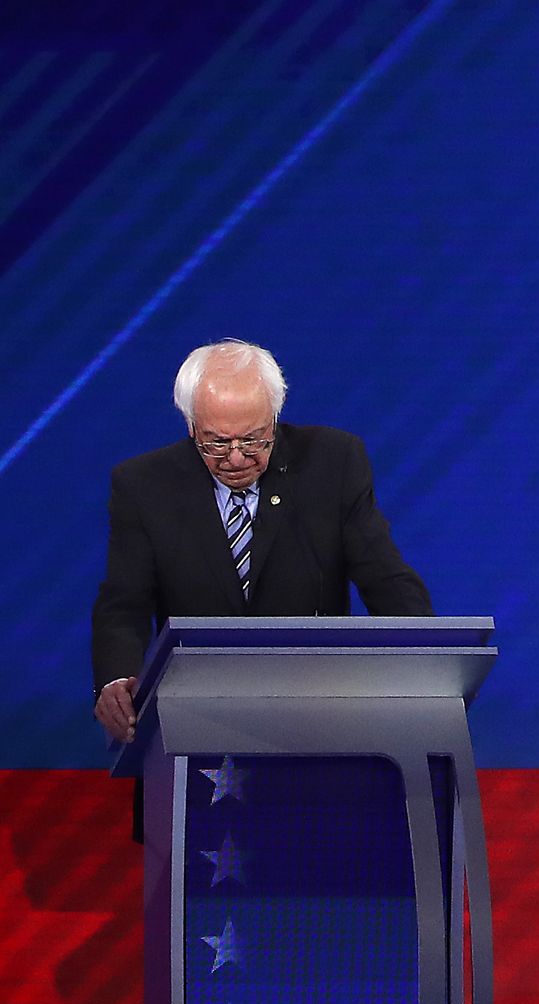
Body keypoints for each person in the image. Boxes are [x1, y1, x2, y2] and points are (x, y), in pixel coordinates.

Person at [92, 341, 433, 834]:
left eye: (254, 439)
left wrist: (422, 658)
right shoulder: (143, 486)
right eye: (215, 442)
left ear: (275, 416)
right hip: (197, 730)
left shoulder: (333, 463)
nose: (236, 457)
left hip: (316, 721)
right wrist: (115, 680)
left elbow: (385, 576)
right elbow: (122, 604)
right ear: (190, 426)